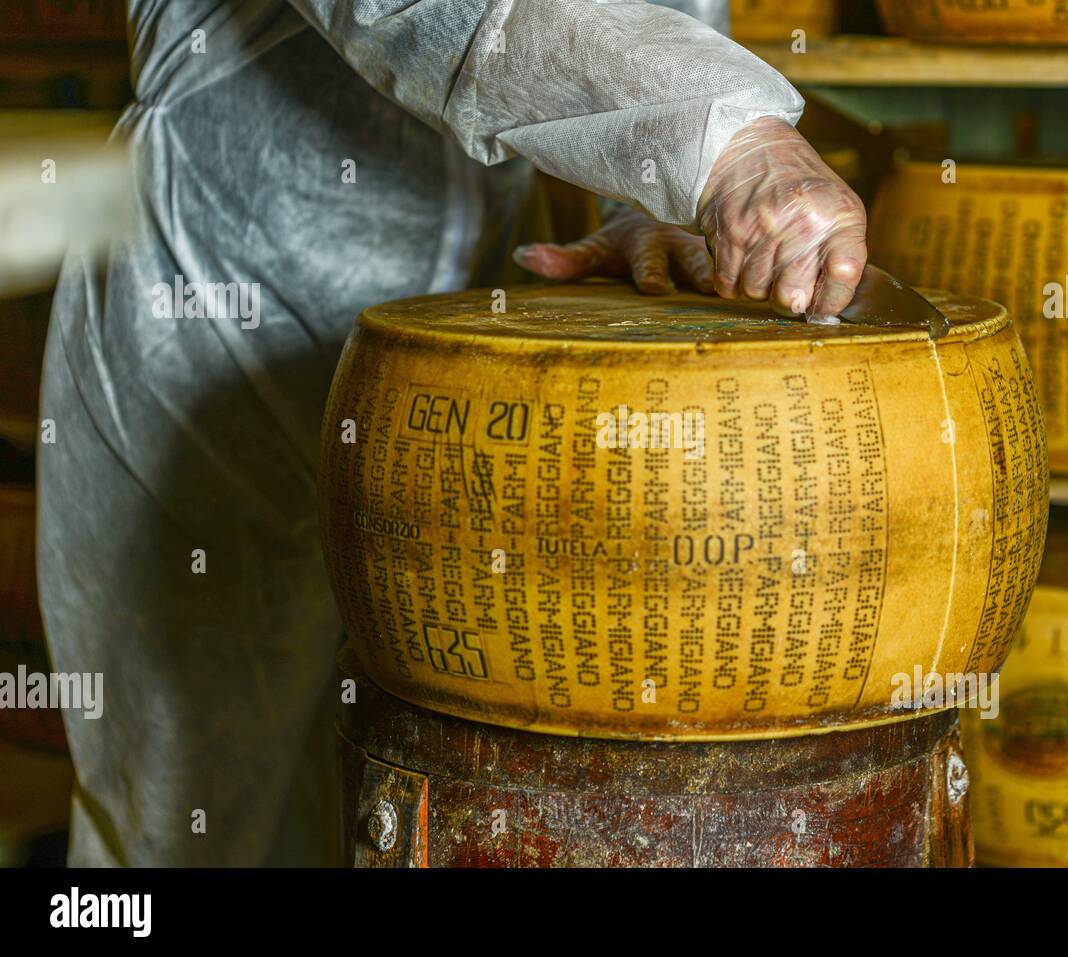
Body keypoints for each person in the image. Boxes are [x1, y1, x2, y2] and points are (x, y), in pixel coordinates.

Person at [39, 0, 868, 865]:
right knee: (196, 809)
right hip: (217, 302)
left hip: (457, 361)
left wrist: (642, 192)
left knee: (413, 791)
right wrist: (723, 143)